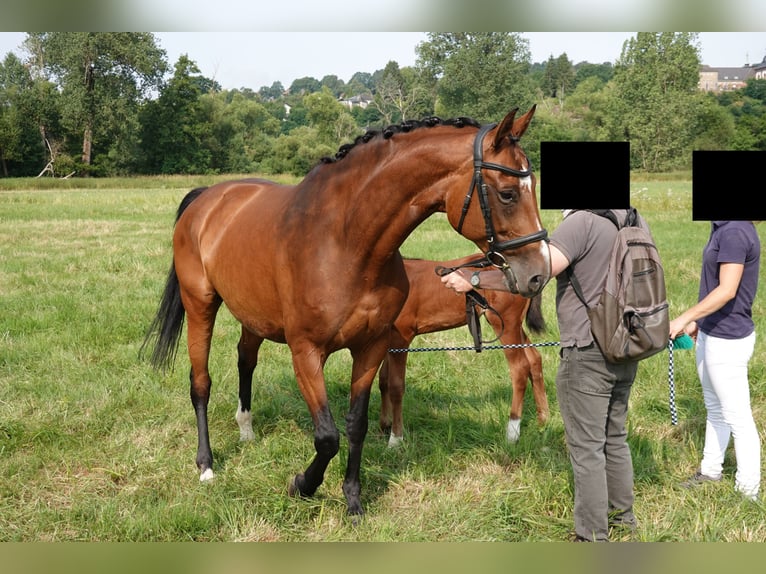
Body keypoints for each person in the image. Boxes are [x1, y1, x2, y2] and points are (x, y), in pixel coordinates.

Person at [442, 209, 647, 541]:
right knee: (615, 437)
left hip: (588, 350)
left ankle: (591, 537)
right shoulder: (633, 221)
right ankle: (623, 519)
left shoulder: (581, 223)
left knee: (587, 448)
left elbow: (533, 276)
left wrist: (473, 280)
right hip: (626, 345)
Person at [668, 220, 761, 501]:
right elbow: (714, 284)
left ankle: (748, 492)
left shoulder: (734, 231)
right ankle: (710, 471)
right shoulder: (722, 226)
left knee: (738, 418)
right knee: (715, 408)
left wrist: (686, 317)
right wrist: (701, 323)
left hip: (727, 340)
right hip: (712, 332)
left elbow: (727, 289)